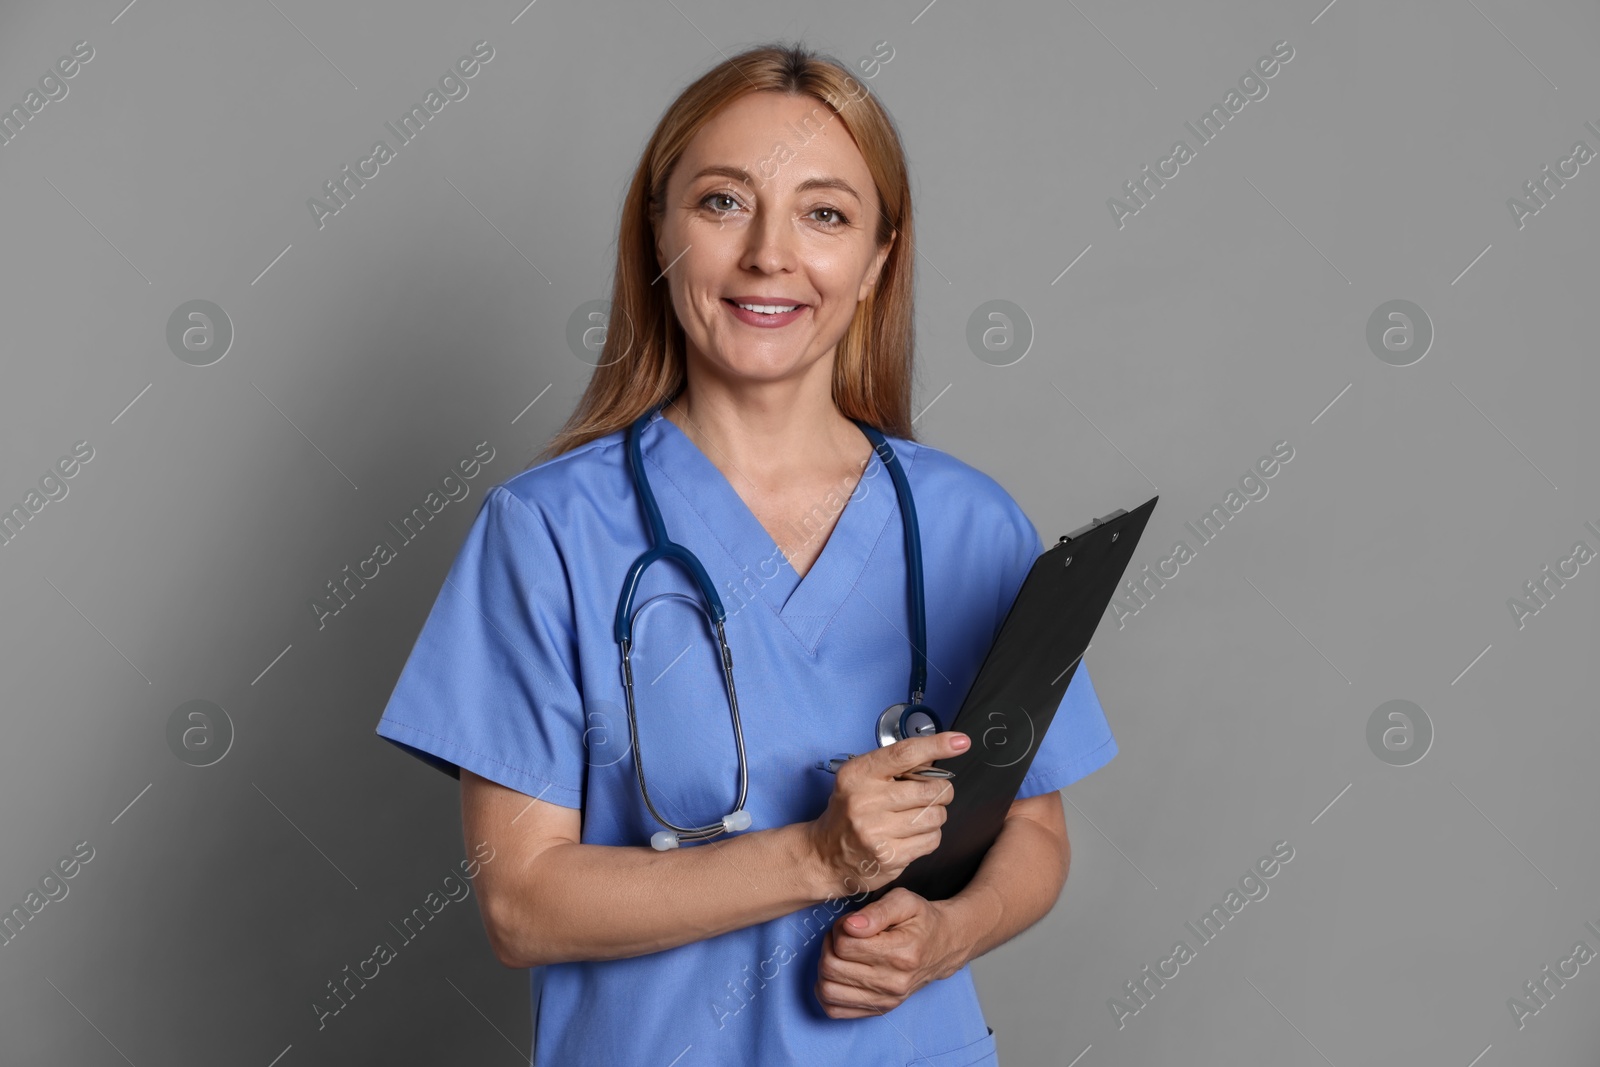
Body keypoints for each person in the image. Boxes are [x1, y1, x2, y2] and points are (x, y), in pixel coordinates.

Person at [374, 41, 1117, 1066]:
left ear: (877, 260)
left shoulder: (968, 525)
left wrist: (948, 933)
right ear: (658, 233)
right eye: (723, 203)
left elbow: (1032, 835)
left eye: (825, 213)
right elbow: (523, 902)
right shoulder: (547, 531)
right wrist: (818, 855)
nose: (771, 253)